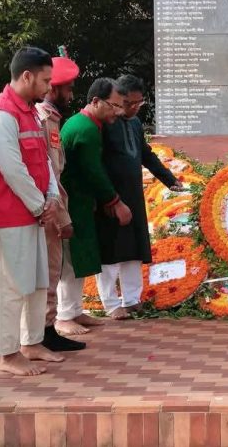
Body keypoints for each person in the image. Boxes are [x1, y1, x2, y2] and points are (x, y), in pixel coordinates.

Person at [0, 46, 64, 376]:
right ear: (26, 76)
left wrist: (51, 197)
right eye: (45, 81)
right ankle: (8, 354)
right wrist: (41, 204)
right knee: (9, 288)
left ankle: (32, 343)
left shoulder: (29, 112)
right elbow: (12, 169)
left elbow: (43, 160)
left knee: (36, 282)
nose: (49, 87)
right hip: (6, 216)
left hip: (33, 213)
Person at [95, 75, 182, 319]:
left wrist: (170, 179)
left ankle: (132, 299)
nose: (133, 108)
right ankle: (111, 304)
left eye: (138, 103)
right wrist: (108, 198)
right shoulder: (105, 123)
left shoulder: (134, 124)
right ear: (117, 99)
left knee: (133, 248)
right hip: (110, 198)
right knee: (111, 250)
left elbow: (146, 155)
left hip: (133, 194)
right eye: (128, 103)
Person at [58, 78, 132, 332]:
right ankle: (64, 315)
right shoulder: (85, 129)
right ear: (96, 101)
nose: (118, 112)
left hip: (81, 202)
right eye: (114, 106)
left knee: (79, 258)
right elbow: (93, 172)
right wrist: (114, 201)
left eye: (120, 106)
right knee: (70, 259)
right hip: (71, 203)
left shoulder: (89, 125)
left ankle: (75, 311)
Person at [34, 53, 86, 351]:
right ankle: (43, 332)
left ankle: (46, 329)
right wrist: (60, 215)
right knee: (49, 271)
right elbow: (48, 173)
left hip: (52, 203)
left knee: (52, 269)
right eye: (68, 89)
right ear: (53, 88)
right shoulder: (43, 119)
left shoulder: (51, 119)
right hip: (47, 207)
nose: (71, 95)